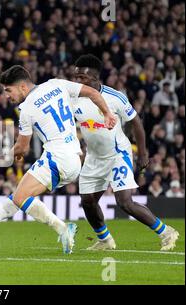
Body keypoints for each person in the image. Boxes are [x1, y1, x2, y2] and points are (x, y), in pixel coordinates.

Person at [0, 65, 117, 254]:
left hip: (57, 157)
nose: (6, 96)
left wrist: (6, 156)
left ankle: (62, 228)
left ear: (22, 87)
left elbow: (22, 147)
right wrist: (107, 113)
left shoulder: (27, 108)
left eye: (8, 90)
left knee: (21, 197)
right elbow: (93, 92)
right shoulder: (57, 84)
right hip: (75, 159)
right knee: (19, 196)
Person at [71, 54, 179, 251]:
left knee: (125, 202)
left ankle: (166, 232)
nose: (77, 81)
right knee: (87, 202)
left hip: (117, 154)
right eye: (76, 77)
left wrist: (143, 153)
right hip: (94, 157)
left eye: (82, 78)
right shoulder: (73, 98)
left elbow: (136, 123)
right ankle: (105, 241)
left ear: (95, 78)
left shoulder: (115, 97)